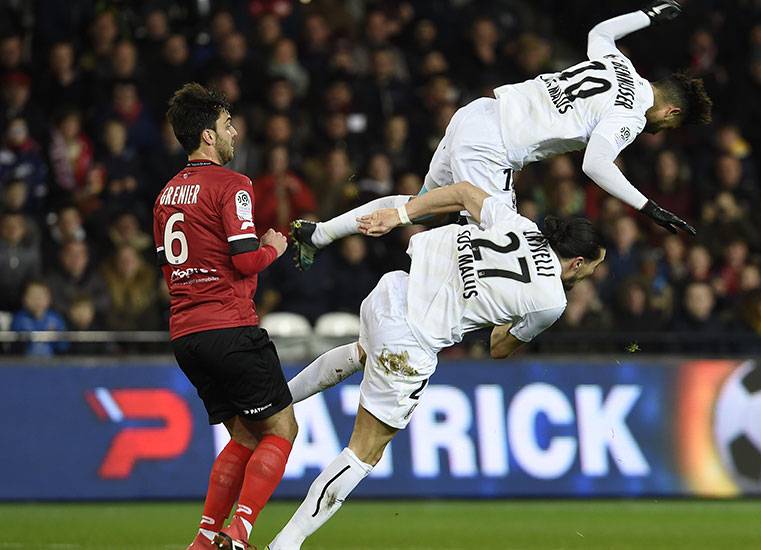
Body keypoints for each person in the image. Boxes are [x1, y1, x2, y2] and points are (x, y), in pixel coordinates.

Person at [267, 181, 606, 549]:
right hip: (412, 341)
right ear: (577, 262)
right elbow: (498, 347)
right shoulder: (551, 301)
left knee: (363, 352)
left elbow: (462, 191)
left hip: (393, 291)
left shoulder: (519, 223)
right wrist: (504, 314)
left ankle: (275, 400)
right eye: (593, 268)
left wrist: (401, 215)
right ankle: (285, 544)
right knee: (365, 450)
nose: (590, 276)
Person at [289, 0, 709, 271]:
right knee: (508, 241)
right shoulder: (632, 116)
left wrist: (649, 15)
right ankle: (426, 308)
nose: (661, 130)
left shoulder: (617, 64)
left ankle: (320, 233)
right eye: (669, 125)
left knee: (425, 205)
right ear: (671, 111)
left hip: (477, 113)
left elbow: (599, 33)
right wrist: (648, 206)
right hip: (493, 149)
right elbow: (595, 163)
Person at [152, 83, 297, 550]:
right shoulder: (234, 186)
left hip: (186, 337)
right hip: (229, 327)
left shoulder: (165, 196)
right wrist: (273, 247)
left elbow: (167, 267)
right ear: (209, 137)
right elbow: (243, 260)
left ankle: (205, 538)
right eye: (226, 124)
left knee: (244, 436)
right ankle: (240, 530)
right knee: (281, 429)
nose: (234, 131)